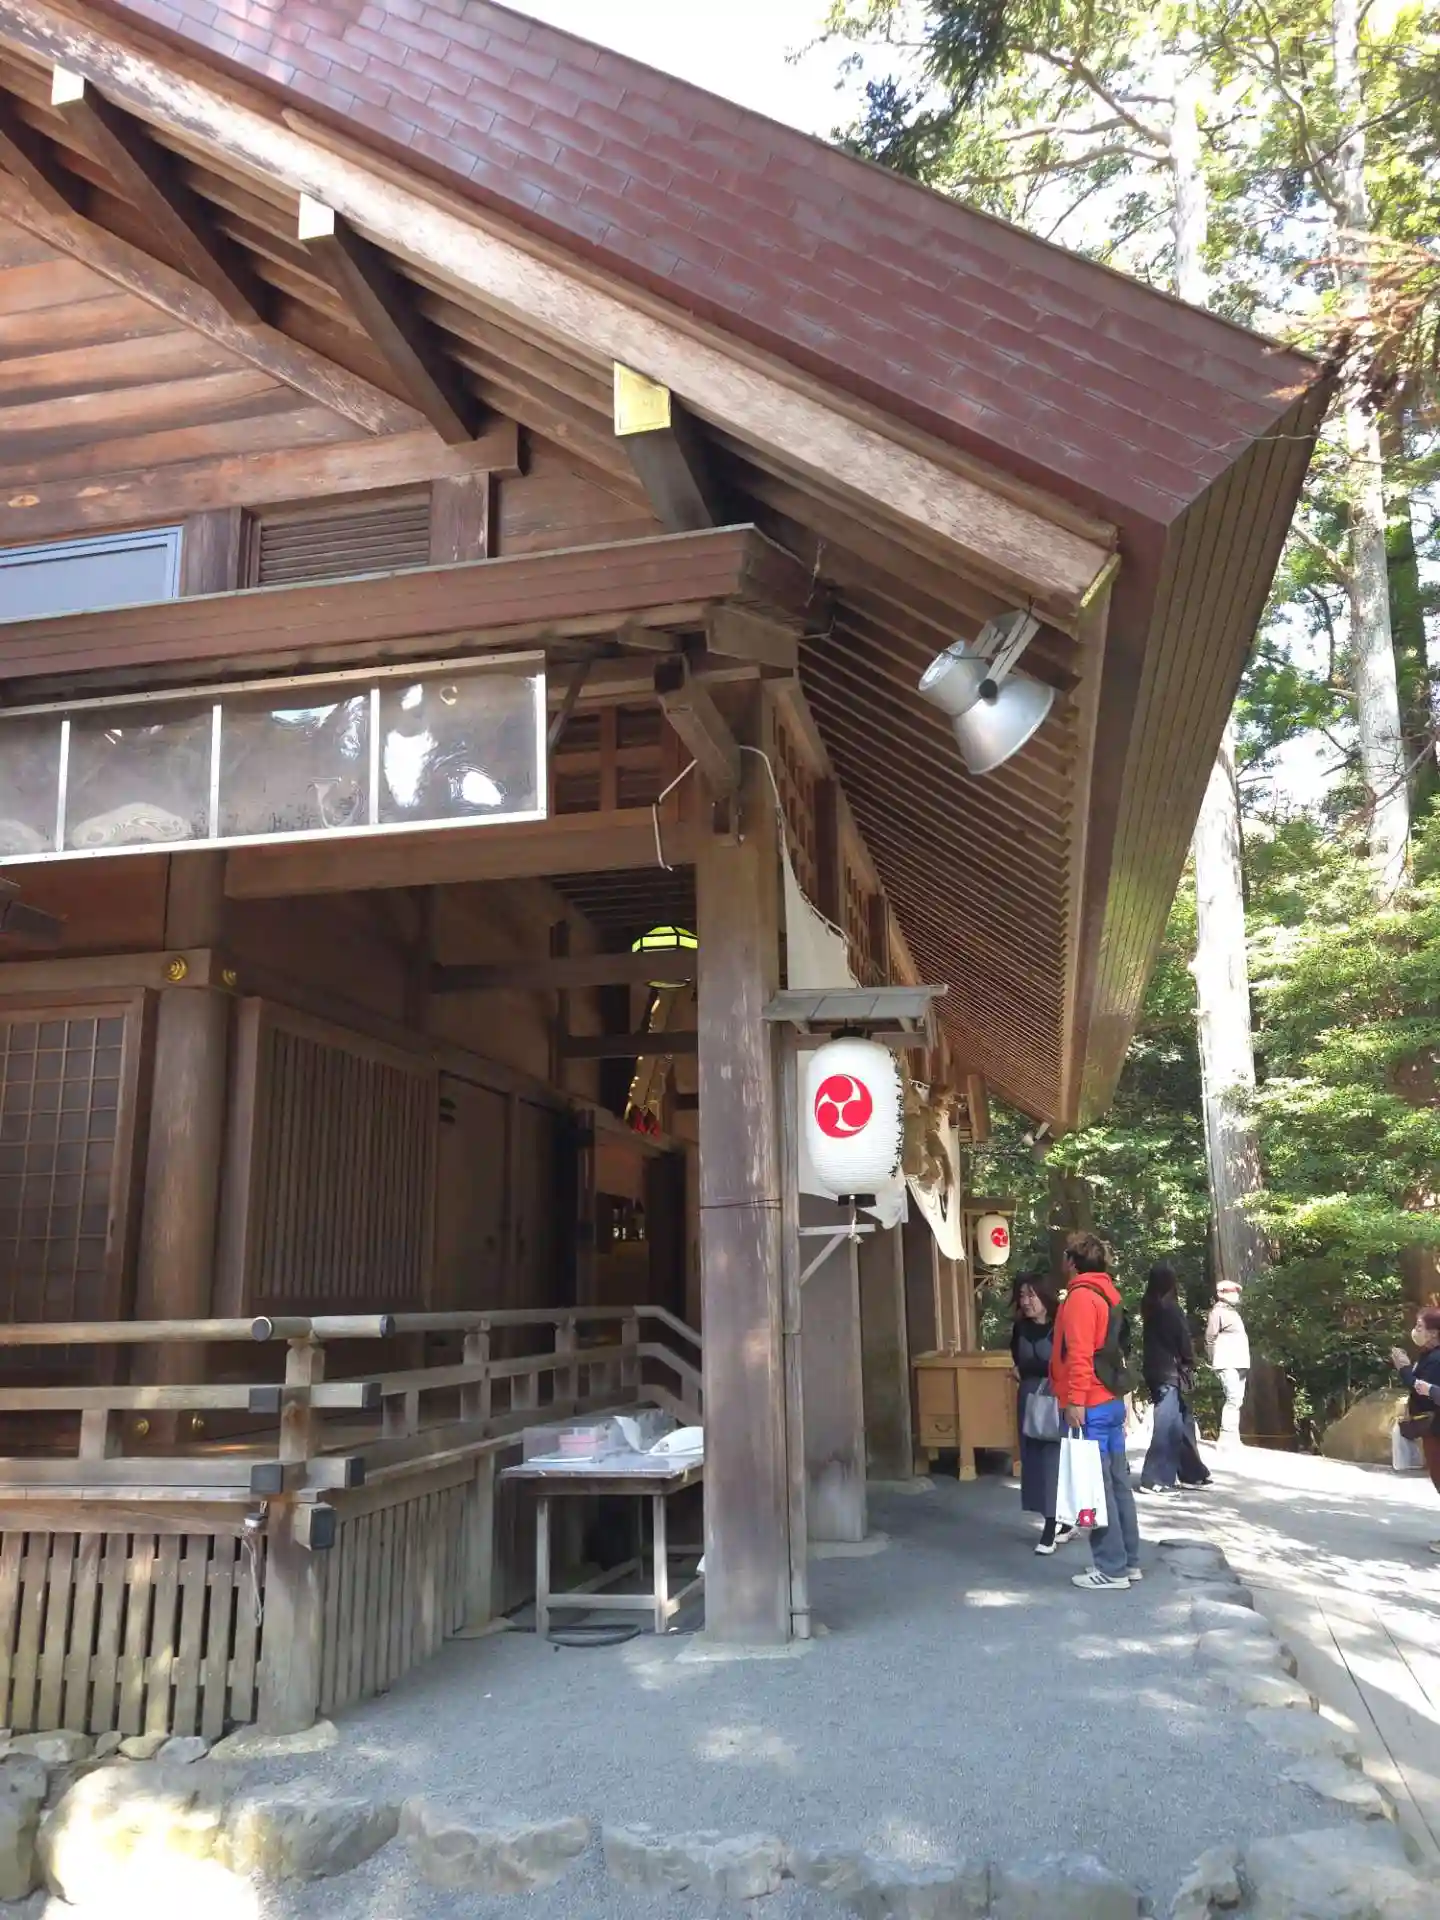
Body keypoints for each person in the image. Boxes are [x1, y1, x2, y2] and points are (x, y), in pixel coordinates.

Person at [1050, 1231, 1141, 1591]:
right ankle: (1129, 1561)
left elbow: (1079, 1354)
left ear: (1072, 1261)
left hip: (1089, 1403)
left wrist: (1074, 1400)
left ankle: (1111, 1568)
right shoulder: (1108, 1293)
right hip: (1110, 1401)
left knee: (1096, 1489)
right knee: (1118, 1485)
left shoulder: (1080, 1298)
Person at [1010, 1271, 1074, 1555]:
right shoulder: (1020, 1328)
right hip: (1028, 1400)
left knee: (1052, 1462)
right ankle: (1062, 1519)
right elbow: (1017, 1361)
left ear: (1045, 1296)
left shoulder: (1062, 1325)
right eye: (1022, 1295)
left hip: (1055, 1399)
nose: (1026, 1301)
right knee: (1033, 1462)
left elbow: (1071, 1363)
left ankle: (1050, 1528)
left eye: (1031, 1295)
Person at [1137, 1265, 1212, 1493]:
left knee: (1182, 1421)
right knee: (1168, 1424)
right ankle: (1154, 1478)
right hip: (1170, 1372)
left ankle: (1192, 1472)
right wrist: (1190, 1361)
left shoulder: (1150, 1307)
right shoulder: (1170, 1309)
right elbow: (1183, 1339)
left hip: (1156, 1370)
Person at [1390, 1307, 1440, 1552]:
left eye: (1420, 1327)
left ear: (1434, 1332)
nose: (1415, 1331)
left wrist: (1404, 1369)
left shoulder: (1437, 1359)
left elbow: (1422, 1388)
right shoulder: (1428, 1355)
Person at [1206, 1280, 1250, 1447]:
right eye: (1232, 1292)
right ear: (1222, 1293)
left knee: (1237, 1400)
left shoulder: (1233, 1312)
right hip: (1226, 1362)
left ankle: (1233, 1437)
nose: (1236, 1295)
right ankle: (1226, 1436)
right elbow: (1210, 1338)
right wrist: (1213, 1359)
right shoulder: (1217, 1312)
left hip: (1239, 1362)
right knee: (1233, 1398)